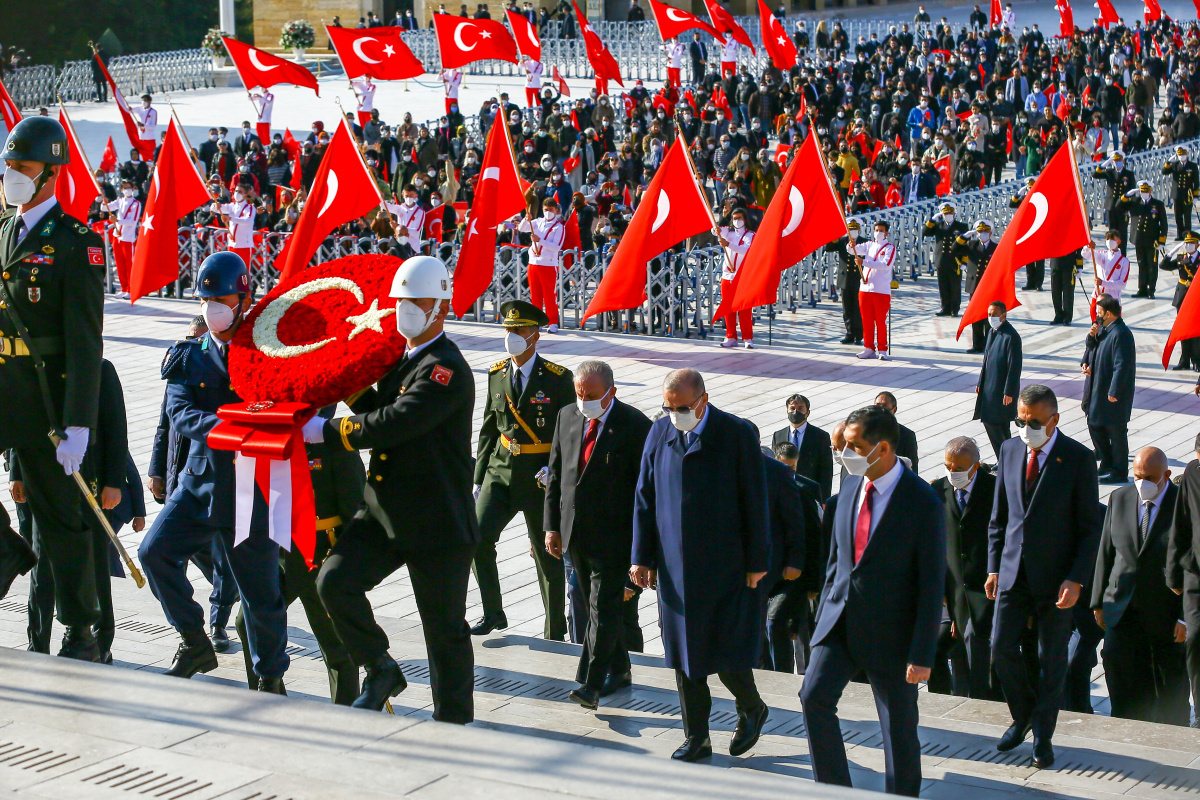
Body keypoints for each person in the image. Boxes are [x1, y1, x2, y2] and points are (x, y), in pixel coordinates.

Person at [308, 255, 479, 720]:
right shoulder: (404, 360)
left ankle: (454, 721)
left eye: (415, 302)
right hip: (384, 513)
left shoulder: (445, 368)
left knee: (444, 630)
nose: (404, 309)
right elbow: (376, 403)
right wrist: (339, 378)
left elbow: (396, 421)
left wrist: (328, 431)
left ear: (441, 308)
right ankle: (380, 666)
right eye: (400, 300)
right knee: (334, 582)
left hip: (437, 521)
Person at [138, 252, 290, 692]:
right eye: (206, 301)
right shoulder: (190, 354)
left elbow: (303, 402)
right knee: (154, 553)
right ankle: (193, 640)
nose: (212, 309)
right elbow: (180, 413)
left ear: (244, 300)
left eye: (221, 300)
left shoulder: (271, 350)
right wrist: (234, 426)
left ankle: (270, 676)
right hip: (200, 482)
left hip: (253, 487)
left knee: (260, 594)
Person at [0, 116, 106, 660]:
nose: (12, 175)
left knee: (60, 516)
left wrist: (79, 423)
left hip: (46, 395)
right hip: (3, 386)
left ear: (51, 173)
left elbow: (86, 343)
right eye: (9, 165)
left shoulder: (76, 243)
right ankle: (7, 552)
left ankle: (80, 629)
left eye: (23, 166)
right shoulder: (3, 230)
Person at [802, 405, 945, 797]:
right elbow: (836, 558)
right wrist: (823, 616)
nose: (845, 454)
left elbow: (931, 584)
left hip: (892, 635)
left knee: (898, 726)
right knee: (813, 698)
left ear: (883, 448)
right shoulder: (850, 485)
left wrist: (922, 653)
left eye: (855, 446)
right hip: (839, 622)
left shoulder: (923, 502)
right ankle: (835, 790)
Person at [631, 368, 770, 762]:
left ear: (703, 401)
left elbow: (755, 500)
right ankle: (697, 737)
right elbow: (644, 495)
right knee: (684, 656)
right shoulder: (660, 432)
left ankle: (751, 706)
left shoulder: (735, 433)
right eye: (668, 408)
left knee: (725, 650)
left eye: (682, 408)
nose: (675, 415)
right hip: (674, 568)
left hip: (724, 565)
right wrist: (641, 556)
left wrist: (757, 561)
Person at [986, 384, 1102, 769]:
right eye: (1021, 421)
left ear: (1054, 419)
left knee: (1051, 660)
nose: (1026, 428)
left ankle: (1043, 736)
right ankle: (1023, 715)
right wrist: (994, 566)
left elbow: (1090, 528)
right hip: (1012, 573)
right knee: (1001, 647)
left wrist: (1076, 579)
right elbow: (999, 518)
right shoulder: (1009, 450)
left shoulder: (1078, 458)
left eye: (1034, 422)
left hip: (1057, 581)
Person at [237, 405, 363, 706]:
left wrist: (347, 566)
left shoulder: (333, 441)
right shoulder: (271, 439)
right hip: (280, 551)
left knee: (334, 643)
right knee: (248, 622)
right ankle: (269, 695)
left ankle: (346, 710)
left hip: (319, 553)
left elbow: (355, 508)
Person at [544, 360, 652, 709]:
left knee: (602, 607)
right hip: (575, 532)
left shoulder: (635, 425)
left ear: (611, 392)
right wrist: (551, 526)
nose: (584, 401)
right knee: (593, 603)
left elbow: (645, 491)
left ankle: (590, 683)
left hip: (615, 536)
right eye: (579, 394)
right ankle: (619, 669)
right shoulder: (567, 416)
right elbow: (556, 474)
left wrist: (643, 549)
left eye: (591, 395)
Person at [472, 300, 574, 639]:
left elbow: (569, 432)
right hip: (500, 472)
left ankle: (554, 631)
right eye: (508, 330)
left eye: (519, 330)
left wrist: (554, 470)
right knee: (476, 539)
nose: (512, 336)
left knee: (547, 556)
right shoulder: (496, 373)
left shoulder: (558, 378)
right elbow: (489, 428)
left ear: (535, 335)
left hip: (538, 477)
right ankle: (493, 612)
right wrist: (478, 478)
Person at [148, 315, 239, 654]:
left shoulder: (226, 366)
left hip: (220, 475)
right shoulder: (184, 364)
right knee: (166, 552)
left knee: (224, 559)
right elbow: (165, 425)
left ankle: (218, 622)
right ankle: (191, 628)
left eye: (199, 336)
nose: (195, 342)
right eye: (192, 336)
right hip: (183, 474)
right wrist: (156, 471)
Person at [1092, 447, 1189, 725]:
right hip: (1122, 608)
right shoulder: (1120, 498)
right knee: (1120, 674)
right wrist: (1098, 601)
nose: (1142, 483)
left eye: (1149, 478)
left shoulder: (1185, 506)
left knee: (1168, 685)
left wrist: (1185, 616)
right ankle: (1124, 729)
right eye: (1137, 476)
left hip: (1165, 613)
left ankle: (1172, 738)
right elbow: (1106, 552)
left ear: (1166, 475)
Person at [932, 436, 999, 699]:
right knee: (959, 650)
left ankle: (982, 702)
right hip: (955, 590)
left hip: (987, 586)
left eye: (959, 468)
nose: (952, 473)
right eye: (948, 467)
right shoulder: (938, 490)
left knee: (979, 645)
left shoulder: (995, 489)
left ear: (975, 466)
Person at [1084, 294, 1136, 483]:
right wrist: (1091, 337)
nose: (1097, 316)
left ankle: (1119, 470)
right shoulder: (1105, 330)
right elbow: (1092, 350)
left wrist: (1114, 391)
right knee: (1095, 424)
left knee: (1116, 432)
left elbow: (1122, 365)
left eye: (1100, 312)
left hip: (1113, 394)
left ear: (1108, 313)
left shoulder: (1121, 334)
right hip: (1098, 389)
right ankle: (1106, 462)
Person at [1168, 433, 1200, 726]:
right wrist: (1174, 573)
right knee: (1196, 641)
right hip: (1196, 576)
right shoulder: (1192, 472)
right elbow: (1182, 521)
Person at [974, 301, 1022, 459]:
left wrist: (1009, 391)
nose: (991, 317)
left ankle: (1006, 458)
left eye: (994, 314)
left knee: (996, 424)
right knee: (995, 424)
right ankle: (1003, 458)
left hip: (1001, 390)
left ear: (1004, 315)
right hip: (989, 387)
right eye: (989, 314)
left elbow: (1014, 367)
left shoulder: (1011, 336)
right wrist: (980, 382)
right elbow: (986, 360)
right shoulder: (992, 332)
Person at [514, 199, 567, 333]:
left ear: (556, 210)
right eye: (545, 210)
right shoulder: (538, 222)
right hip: (533, 263)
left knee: (549, 295)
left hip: (548, 264)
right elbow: (522, 228)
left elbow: (556, 247)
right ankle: (537, 321)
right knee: (535, 294)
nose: (548, 212)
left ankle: (553, 322)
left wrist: (540, 241)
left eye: (550, 209)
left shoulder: (559, 227)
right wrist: (526, 219)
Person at [771, 393, 833, 500]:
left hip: (809, 493)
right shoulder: (778, 435)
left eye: (800, 408)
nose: (796, 412)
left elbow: (826, 470)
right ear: (787, 411)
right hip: (783, 492)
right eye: (792, 408)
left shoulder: (820, 436)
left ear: (807, 412)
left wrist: (824, 499)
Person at [851, 220, 896, 360]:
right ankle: (869, 347)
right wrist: (851, 244)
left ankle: (882, 349)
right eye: (876, 230)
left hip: (881, 290)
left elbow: (885, 264)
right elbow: (852, 250)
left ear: (886, 233)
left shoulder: (890, 248)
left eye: (881, 230)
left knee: (881, 321)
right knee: (867, 320)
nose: (878, 233)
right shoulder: (869, 245)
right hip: (865, 289)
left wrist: (864, 262)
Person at [954, 219, 998, 354]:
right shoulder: (972, 245)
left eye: (985, 231)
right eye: (980, 231)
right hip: (975, 286)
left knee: (989, 317)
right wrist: (964, 236)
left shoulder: (996, 247)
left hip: (989, 287)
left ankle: (989, 345)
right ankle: (977, 345)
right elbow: (954, 249)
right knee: (976, 316)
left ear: (990, 233)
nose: (982, 234)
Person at [1119, 180, 1168, 299]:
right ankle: (1142, 289)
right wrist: (1126, 195)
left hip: (1152, 240)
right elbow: (1118, 206)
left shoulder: (1158, 204)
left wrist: (1161, 241)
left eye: (1146, 191)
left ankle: (1151, 289)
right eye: (1142, 191)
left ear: (1150, 191)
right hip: (1139, 239)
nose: (1144, 193)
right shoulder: (1134, 202)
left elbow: (1163, 224)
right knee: (1141, 264)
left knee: (1152, 265)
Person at [715, 208, 755, 349]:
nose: (737, 221)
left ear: (745, 219)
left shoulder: (750, 235)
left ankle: (747, 338)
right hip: (727, 275)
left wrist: (729, 245)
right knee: (728, 308)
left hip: (743, 276)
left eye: (739, 218)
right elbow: (716, 231)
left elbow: (746, 250)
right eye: (734, 218)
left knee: (744, 308)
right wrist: (722, 219)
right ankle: (731, 336)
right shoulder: (729, 232)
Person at [1164, 232, 1200, 370]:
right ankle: (1184, 360)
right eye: (1187, 243)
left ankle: (1196, 361)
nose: (1189, 245)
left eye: (1191, 243)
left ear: (1197, 244)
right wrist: (1171, 252)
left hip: (1196, 297)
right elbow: (1164, 265)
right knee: (1183, 329)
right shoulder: (1181, 258)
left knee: (1196, 331)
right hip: (1182, 297)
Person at [924, 202, 967, 316]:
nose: (948, 215)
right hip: (941, 260)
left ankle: (954, 309)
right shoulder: (938, 226)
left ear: (954, 213)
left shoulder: (961, 226)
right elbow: (925, 232)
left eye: (950, 213)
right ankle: (945, 308)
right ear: (942, 214)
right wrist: (932, 220)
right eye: (945, 213)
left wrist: (964, 261)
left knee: (955, 287)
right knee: (943, 286)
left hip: (955, 261)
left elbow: (965, 245)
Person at [825, 220, 863, 346]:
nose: (853, 231)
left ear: (859, 230)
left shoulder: (865, 242)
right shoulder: (842, 241)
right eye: (850, 229)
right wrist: (834, 236)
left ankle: (859, 335)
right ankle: (849, 333)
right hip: (845, 279)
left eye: (855, 229)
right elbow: (828, 248)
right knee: (847, 309)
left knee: (858, 308)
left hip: (858, 279)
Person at [104, 181, 140, 298]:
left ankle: (131, 289)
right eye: (125, 188)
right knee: (119, 264)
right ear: (121, 190)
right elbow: (105, 208)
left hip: (128, 238)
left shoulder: (136, 204)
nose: (127, 190)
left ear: (132, 189)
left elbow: (133, 221)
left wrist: (117, 221)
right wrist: (104, 201)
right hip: (117, 236)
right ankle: (124, 288)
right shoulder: (119, 201)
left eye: (129, 187)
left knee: (129, 264)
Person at [210, 188, 258, 267]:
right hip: (232, 244)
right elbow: (215, 208)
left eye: (240, 192)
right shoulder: (232, 206)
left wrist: (230, 218)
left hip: (244, 245)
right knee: (231, 269)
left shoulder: (250, 207)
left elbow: (247, 220)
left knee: (244, 270)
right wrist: (216, 205)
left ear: (245, 195)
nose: (237, 193)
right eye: (236, 191)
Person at [1082, 230, 1130, 305]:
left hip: (1113, 298)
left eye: (1112, 239)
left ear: (1119, 242)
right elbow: (1085, 254)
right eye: (1107, 239)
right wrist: (1088, 247)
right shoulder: (1102, 254)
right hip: (1098, 295)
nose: (1109, 241)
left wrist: (1103, 283)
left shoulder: (1124, 261)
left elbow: (1122, 284)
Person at [873, 391, 918, 471]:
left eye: (885, 406)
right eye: (878, 405)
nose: (881, 409)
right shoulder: (864, 431)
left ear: (894, 409)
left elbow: (912, 469)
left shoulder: (906, 435)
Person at [1162, 145, 1198, 240]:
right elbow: (1164, 172)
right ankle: (1180, 235)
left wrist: (1195, 196)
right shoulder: (1174, 165)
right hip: (1177, 194)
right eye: (1179, 155)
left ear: (1187, 154)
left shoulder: (1192, 166)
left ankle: (1187, 234)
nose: (1181, 156)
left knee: (1187, 216)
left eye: (1183, 154)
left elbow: (1196, 182)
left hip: (1188, 194)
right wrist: (1168, 163)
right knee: (1178, 216)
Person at [1049, 249, 1084, 326]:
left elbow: (1079, 250)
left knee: (1068, 293)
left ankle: (1067, 317)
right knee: (1055, 292)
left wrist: (1079, 266)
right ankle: (1058, 315)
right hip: (1055, 264)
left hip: (1069, 265)